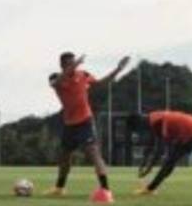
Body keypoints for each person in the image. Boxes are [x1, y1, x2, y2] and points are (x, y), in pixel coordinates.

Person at [47, 51, 130, 197]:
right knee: (65, 157)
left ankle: (105, 189)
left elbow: (101, 83)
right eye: (69, 63)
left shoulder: (83, 75)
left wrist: (118, 69)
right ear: (62, 65)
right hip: (69, 124)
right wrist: (74, 65)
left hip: (85, 121)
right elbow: (57, 82)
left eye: (73, 63)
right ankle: (59, 188)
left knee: (94, 153)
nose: (73, 66)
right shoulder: (56, 79)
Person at [127, 111, 192, 199]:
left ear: (140, 123)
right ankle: (151, 189)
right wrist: (148, 165)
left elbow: (160, 149)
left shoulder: (158, 121)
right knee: (169, 162)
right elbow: (155, 143)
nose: (140, 131)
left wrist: (149, 167)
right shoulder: (153, 120)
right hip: (184, 136)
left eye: (138, 129)